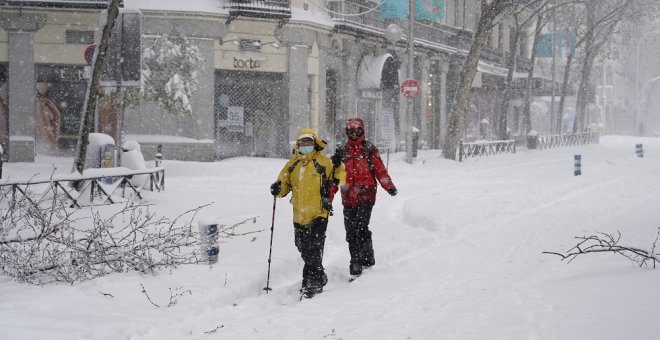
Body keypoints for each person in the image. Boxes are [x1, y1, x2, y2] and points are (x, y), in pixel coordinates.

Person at [270, 128, 346, 299]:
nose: (306, 145)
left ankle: (310, 283)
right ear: (298, 144)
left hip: (319, 213)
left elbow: (341, 176)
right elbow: (283, 185)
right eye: (303, 142)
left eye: (309, 142)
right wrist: (277, 188)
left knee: (313, 249)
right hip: (299, 215)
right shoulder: (293, 164)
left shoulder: (323, 162)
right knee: (302, 246)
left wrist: (338, 163)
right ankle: (319, 275)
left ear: (314, 143)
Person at [338, 118, 397, 278]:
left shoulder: (369, 149)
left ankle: (364, 259)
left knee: (360, 227)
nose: (354, 134)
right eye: (351, 132)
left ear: (362, 131)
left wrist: (389, 186)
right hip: (347, 196)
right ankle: (355, 259)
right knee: (350, 230)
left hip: (366, 195)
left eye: (357, 131)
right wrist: (328, 198)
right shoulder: (343, 151)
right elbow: (334, 177)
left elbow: (380, 171)